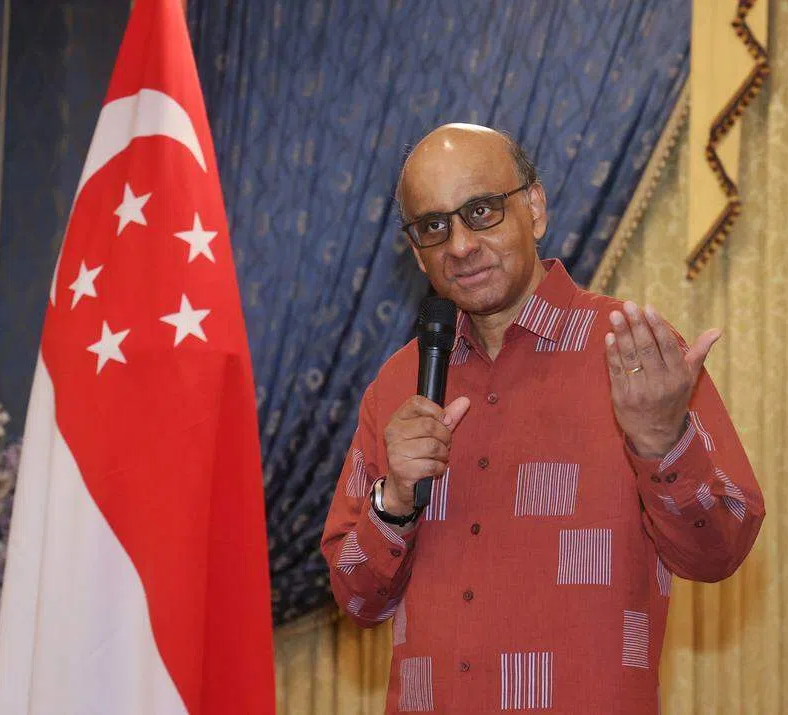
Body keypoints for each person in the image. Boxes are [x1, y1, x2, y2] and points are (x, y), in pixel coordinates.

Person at [320, 123, 764, 714]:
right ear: (417, 251)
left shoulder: (633, 356)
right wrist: (394, 501)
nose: (459, 246)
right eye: (433, 226)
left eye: (480, 212)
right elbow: (357, 600)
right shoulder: (398, 383)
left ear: (534, 208)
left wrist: (663, 442)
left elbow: (719, 552)